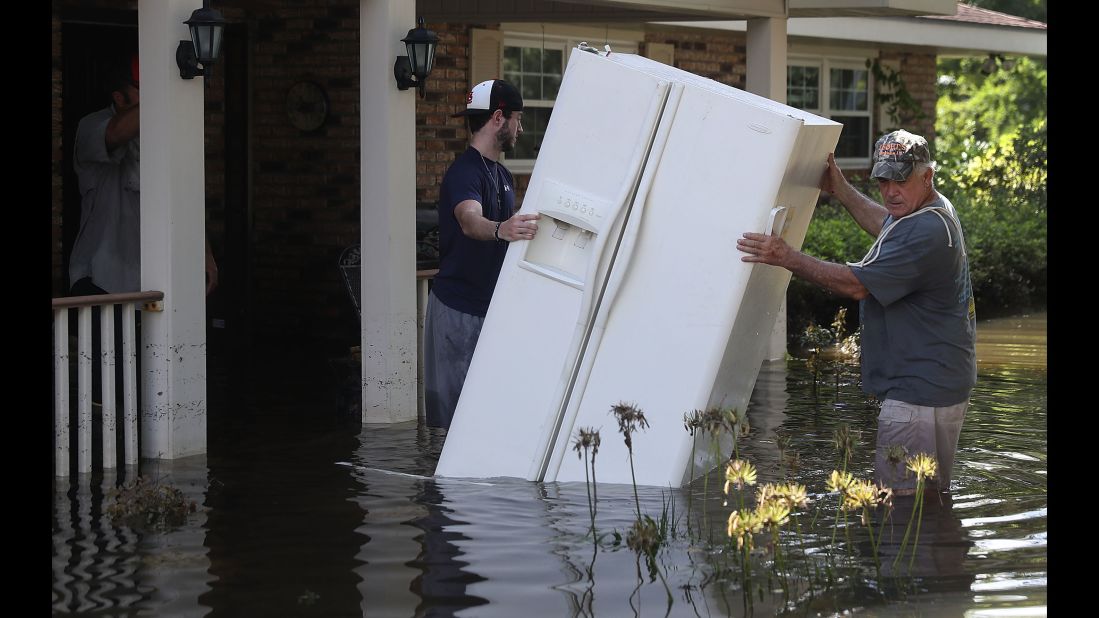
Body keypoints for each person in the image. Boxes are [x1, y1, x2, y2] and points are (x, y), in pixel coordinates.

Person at [737, 130, 976, 496]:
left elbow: (857, 285)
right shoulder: (931, 208)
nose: (891, 191)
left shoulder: (924, 230)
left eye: (901, 180)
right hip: (940, 383)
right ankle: (940, 552)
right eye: (883, 181)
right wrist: (842, 191)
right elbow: (887, 225)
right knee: (927, 501)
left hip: (918, 394)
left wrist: (785, 256)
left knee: (899, 506)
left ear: (927, 176)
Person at [423, 79, 541, 429]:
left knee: (485, 419)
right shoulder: (465, 172)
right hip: (457, 310)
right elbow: (468, 219)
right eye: (518, 118)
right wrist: (500, 229)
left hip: (489, 311)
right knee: (452, 424)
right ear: (498, 118)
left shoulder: (503, 175)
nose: (521, 127)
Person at [69, 54, 218, 297]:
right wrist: (163, 91)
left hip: (156, 279)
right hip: (101, 277)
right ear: (119, 97)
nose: (153, 93)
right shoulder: (92, 124)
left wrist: (204, 253)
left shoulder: (167, 131)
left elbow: (184, 197)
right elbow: (115, 133)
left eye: (154, 86)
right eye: (143, 87)